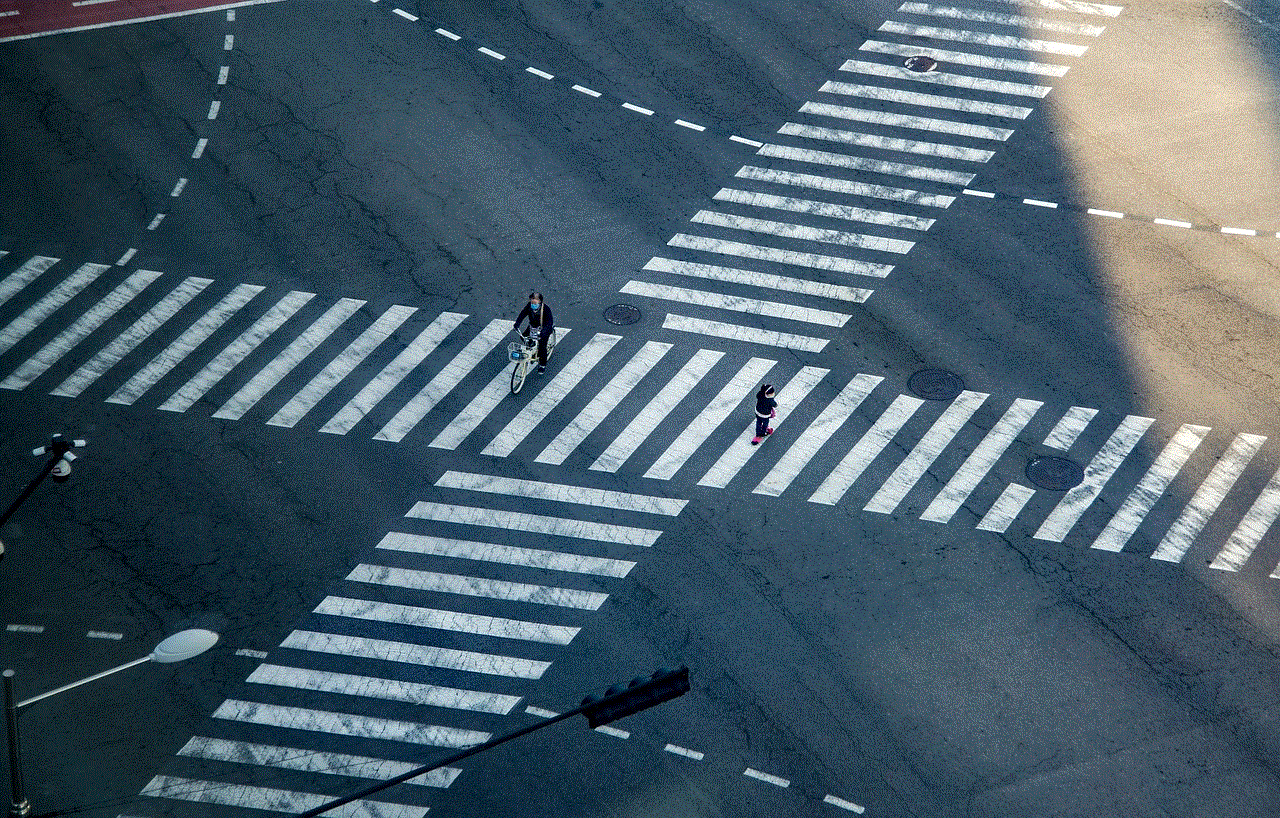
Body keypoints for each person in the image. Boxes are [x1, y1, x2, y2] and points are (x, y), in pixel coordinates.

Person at [514, 291, 554, 373]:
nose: (532, 303)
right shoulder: (529, 306)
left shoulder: (546, 309)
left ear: (540, 301)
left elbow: (549, 323)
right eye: (532, 301)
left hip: (543, 329)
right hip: (532, 327)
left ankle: (542, 365)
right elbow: (523, 314)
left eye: (534, 302)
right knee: (524, 337)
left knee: (542, 347)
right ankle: (531, 348)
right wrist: (517, 323)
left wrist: (543, 332)